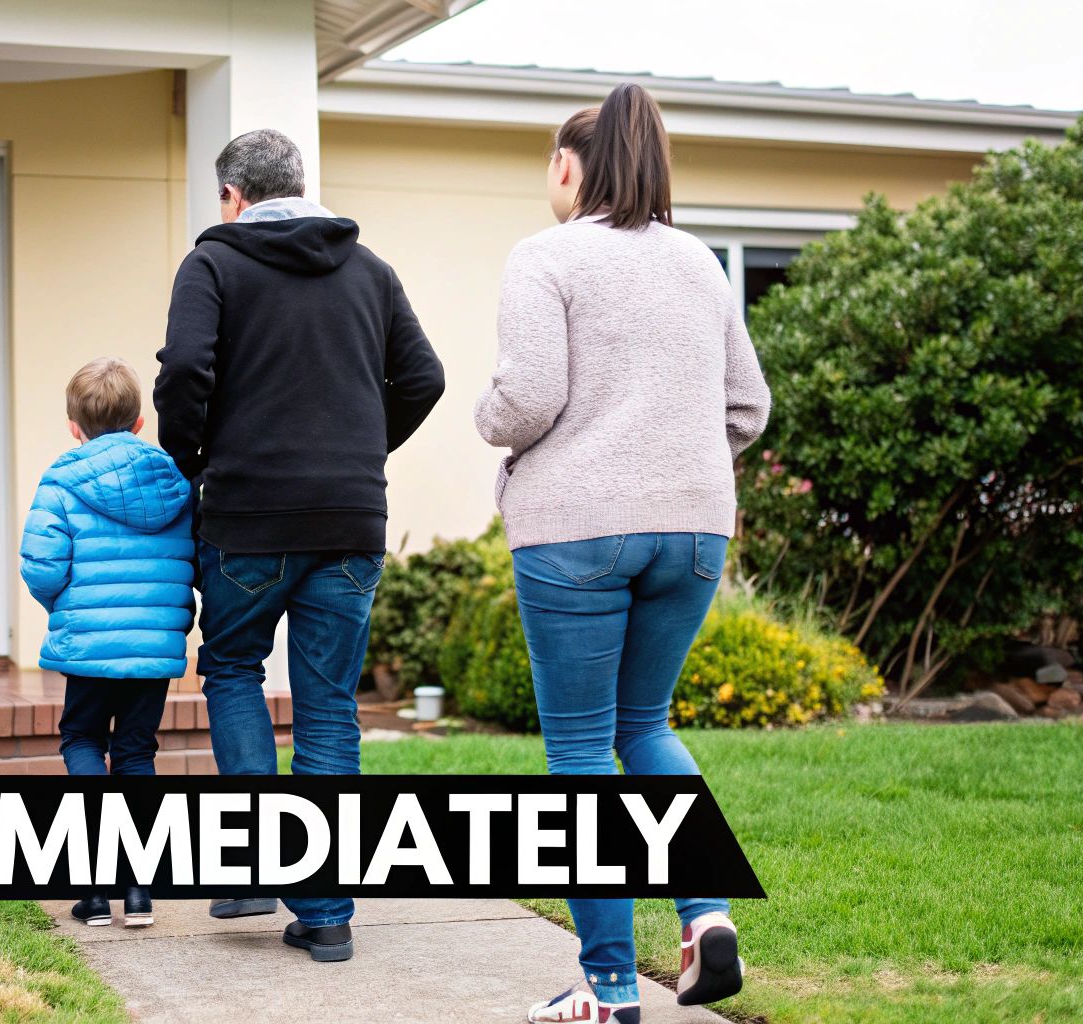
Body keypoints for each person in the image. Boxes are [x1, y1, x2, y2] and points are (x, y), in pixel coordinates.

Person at [475, 84, 771, 1024]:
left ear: (570, 167)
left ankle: (607, 991)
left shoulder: (546, 255)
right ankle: (707, 912)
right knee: (644, 727)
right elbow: (748, 407)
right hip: (694, 530)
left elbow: (524, 404)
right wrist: (674, 467)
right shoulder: (698, 264)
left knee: (577, 753)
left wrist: (488, 422)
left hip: (576, 533)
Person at [154, 128, 446, 962]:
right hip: (351, 522)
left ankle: (251, 867)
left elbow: (184, 377)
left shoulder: (212, 265)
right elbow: (423, 378)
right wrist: (359, 454)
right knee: (329, 707)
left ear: (233, 198)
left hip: (248, 519)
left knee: (235, 669)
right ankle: (325, 911)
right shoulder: (370, 271)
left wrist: (193, 464)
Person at [19, 356, 196, 932]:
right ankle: (139, 891)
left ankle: (94, 891)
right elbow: (190, 561)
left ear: (74, 425)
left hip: (88, 646)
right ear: (140, 422)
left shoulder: (61, 480)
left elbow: (42, 568)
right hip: (151, 650)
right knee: (138, 754)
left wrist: (68, 610)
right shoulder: (174, 480)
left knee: (82, 739)